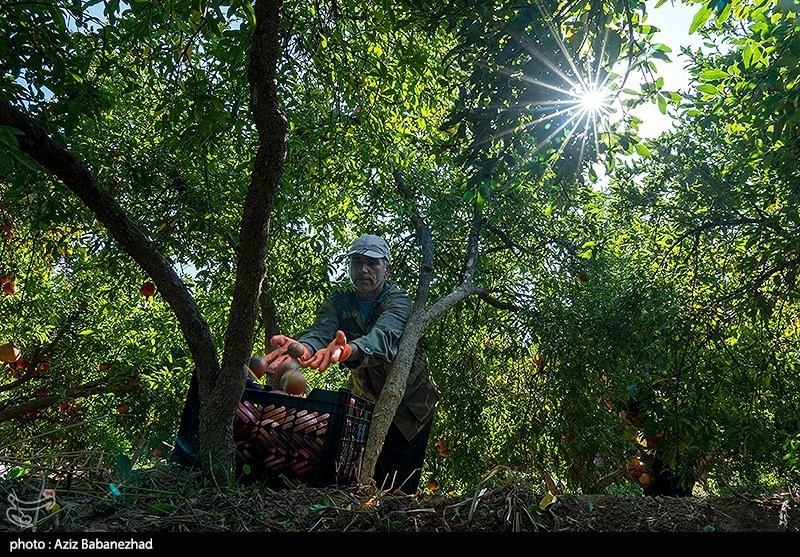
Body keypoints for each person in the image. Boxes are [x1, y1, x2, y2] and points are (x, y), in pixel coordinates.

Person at [263, 234, 440, 495]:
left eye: (372, 263)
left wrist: (347, 350)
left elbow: (383, 338)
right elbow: (320, 332)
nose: (363, 269)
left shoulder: (398, 301)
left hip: (411, 407)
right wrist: (304, 348)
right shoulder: (339, 302)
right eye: (357, 262)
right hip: (367, 401)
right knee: (363, 476)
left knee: (397, 486)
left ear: (387, 268)